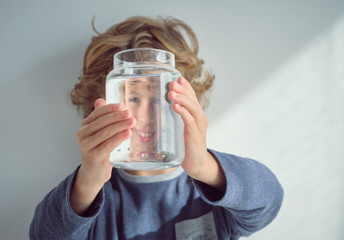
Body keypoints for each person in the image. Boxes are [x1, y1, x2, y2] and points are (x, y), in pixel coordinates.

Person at [30, 16, 283, 240]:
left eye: (161, 97)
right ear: (103, 104)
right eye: (133, 98)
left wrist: (205, 165)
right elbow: (42, 235)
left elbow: (269, 200)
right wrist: (87, 181)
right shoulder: (93, 199)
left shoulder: (213, 191)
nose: (146, 116)